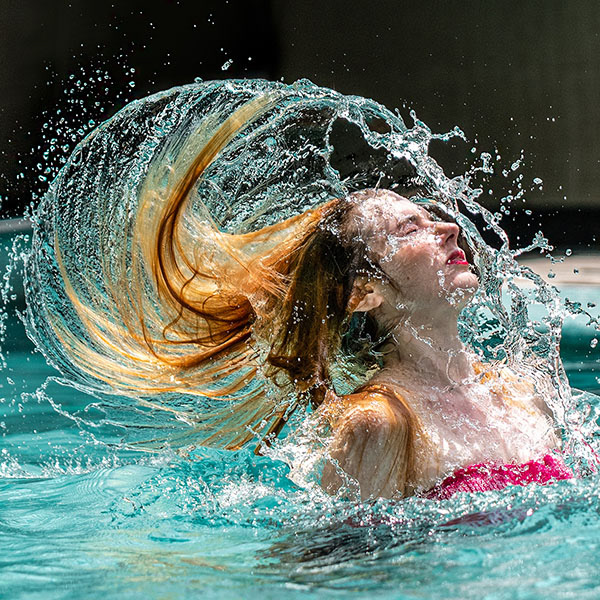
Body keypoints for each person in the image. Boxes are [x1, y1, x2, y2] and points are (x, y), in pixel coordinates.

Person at [38, 96, 571, 501]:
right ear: (364, 292)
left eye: (433, 217)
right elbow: (324, 574)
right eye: (411, 228)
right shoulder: (379, 426)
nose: (450, 229)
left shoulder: (522, 390)